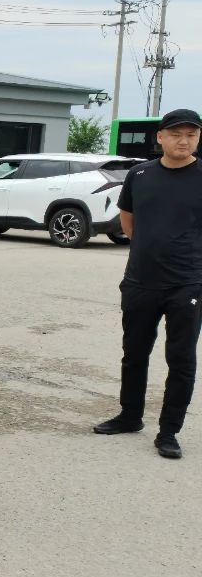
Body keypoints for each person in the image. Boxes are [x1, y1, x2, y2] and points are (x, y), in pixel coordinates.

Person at [94, 108, 202, 459]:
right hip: (140, 281)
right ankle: (130, 416)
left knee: (181, 360)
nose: (184, 141)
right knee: (134, 353)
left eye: (191, 135)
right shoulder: (140, 174)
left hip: (187, 284)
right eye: (176, 134)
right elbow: (129, 223)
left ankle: (169, 431)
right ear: (161, 137)